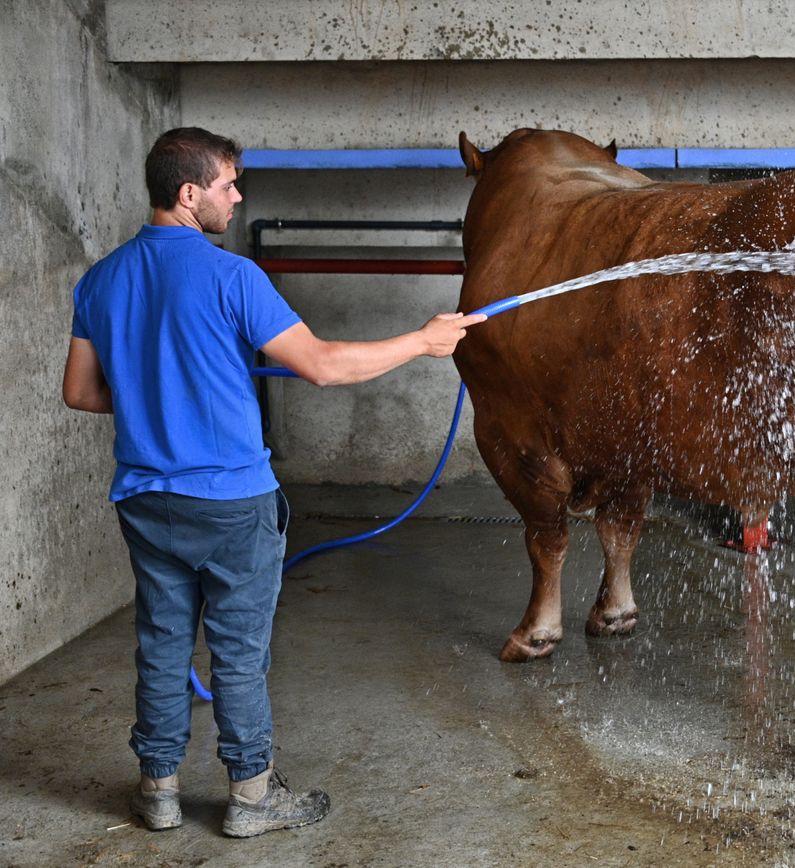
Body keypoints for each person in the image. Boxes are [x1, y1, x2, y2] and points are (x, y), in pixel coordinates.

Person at [61, 127, 486, 837]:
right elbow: (319, 363)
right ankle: (252, 798)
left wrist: (154, 393)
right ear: (189, 193)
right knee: (238, 649)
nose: (238, 195)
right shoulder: (233, 278)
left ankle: (158, 792)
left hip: (146, 499)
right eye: (228, 184)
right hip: (230, 501)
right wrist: (422, 340)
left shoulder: (100, 280)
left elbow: (80, 391)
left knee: (162, 640)